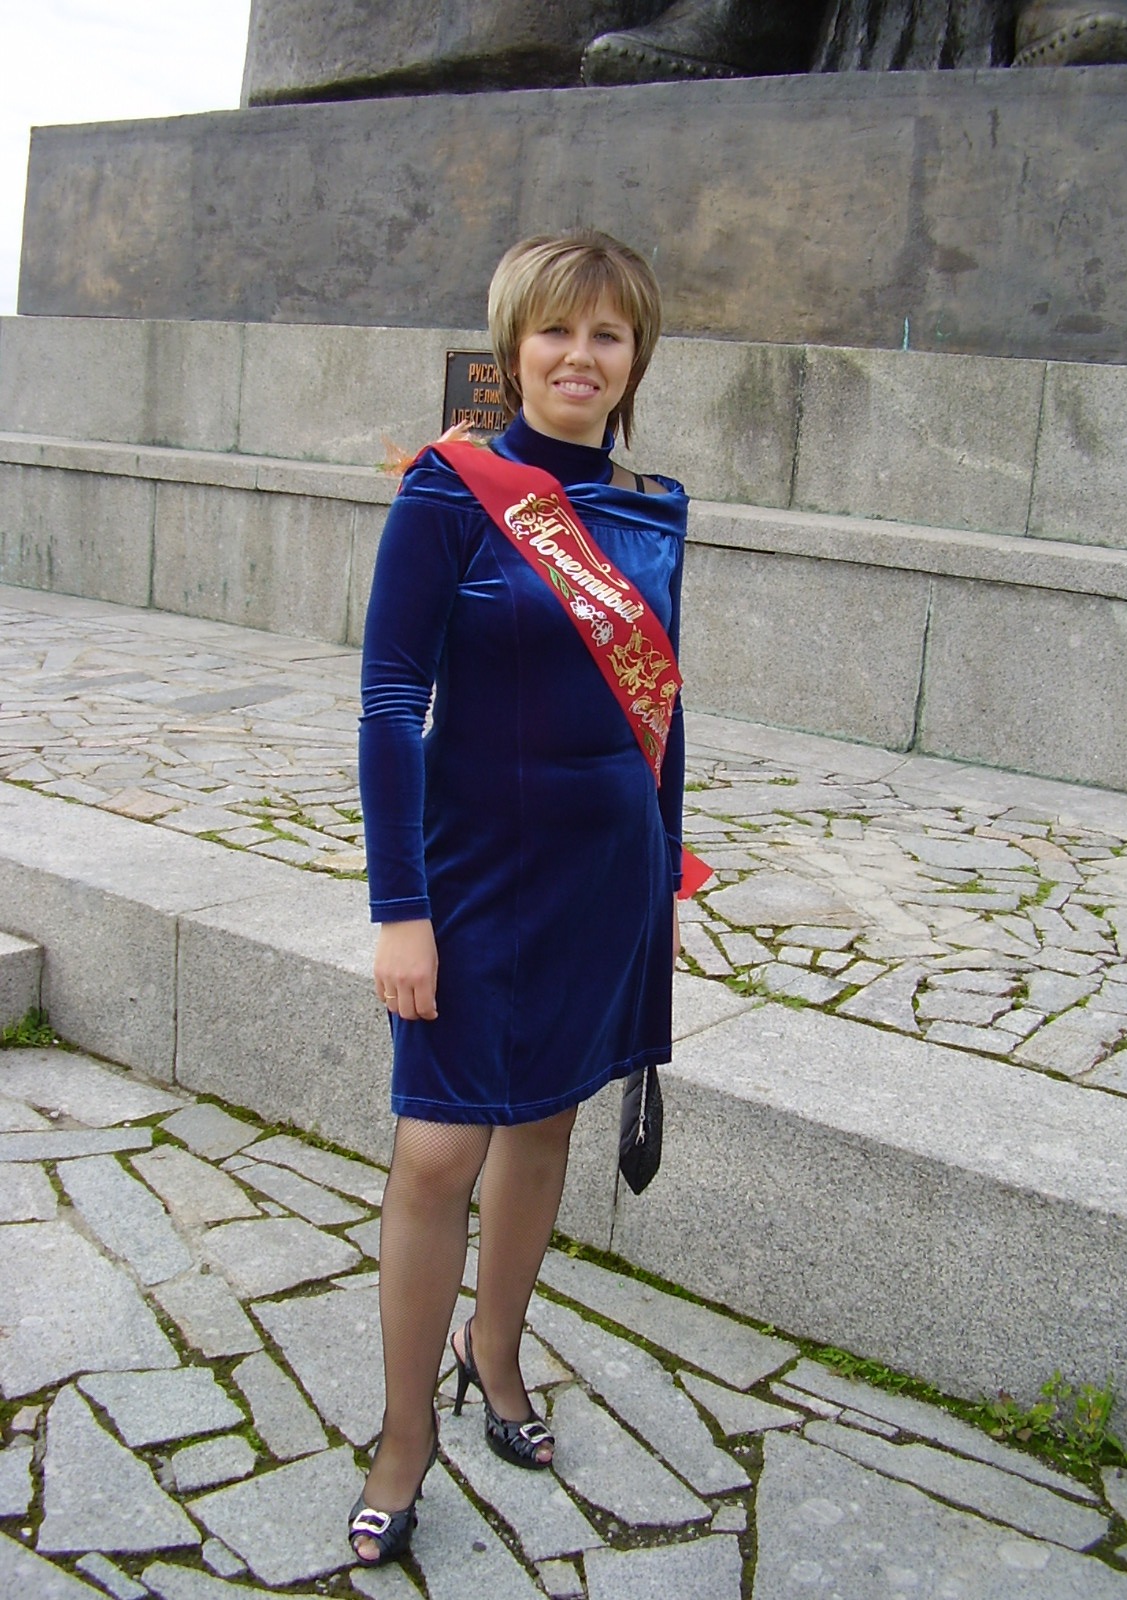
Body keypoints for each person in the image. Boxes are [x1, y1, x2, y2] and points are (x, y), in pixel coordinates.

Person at [350, 230, 688, 1564]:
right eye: (555, 330)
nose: (578, 356)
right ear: (514, 347)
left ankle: (495, 1356)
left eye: (607, 334)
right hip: (475, 866)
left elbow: (663, 717)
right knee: (439, 1150)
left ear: (635, 358)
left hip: (606, 870)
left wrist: (663, 884)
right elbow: (390, 704)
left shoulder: (654, 510)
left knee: (546, 1121)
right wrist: (400, 907)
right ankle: (402, 1438)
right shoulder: (449, 493)